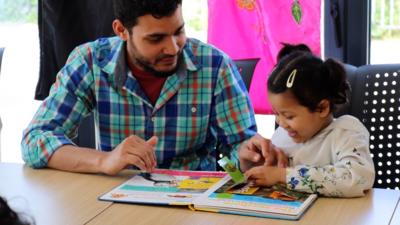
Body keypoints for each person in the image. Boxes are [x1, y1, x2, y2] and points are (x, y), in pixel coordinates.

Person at [21, 0, 274, 175]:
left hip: (195, 203)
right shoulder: (90, 61)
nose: (173, 48)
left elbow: (238, 146)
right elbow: (36, 141)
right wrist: (104, 160)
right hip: (117, 200)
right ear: (121, 30)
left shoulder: (215, 65)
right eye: (156, 39)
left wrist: (246, 154)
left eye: (179, 31)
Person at [242, 43, 375, 197]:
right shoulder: (284, 136)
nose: (281, 123)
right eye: (276, 114)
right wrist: (253, 164)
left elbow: (355, 179)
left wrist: (282, 175)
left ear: (322, 108)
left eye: (289, 116)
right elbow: (271, 173)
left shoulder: (346, 132)